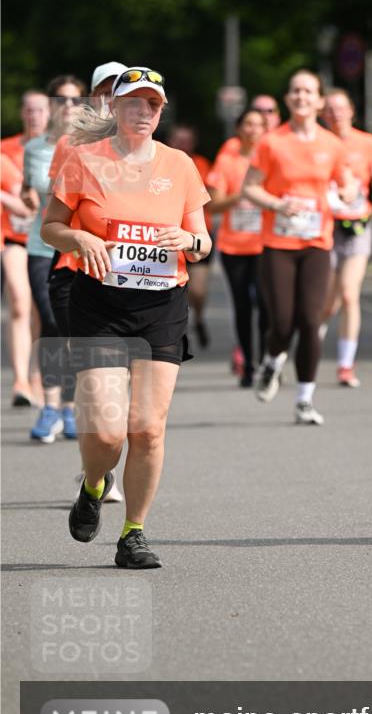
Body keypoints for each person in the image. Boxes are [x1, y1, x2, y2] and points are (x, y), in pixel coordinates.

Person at [42, 67, 211, 568]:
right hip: (100, 306)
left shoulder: (179, 165)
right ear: (113, 107)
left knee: (148, 429)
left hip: (161, 306)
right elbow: (51, 227)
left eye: (153, 105)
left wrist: (191, 242)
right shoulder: (83, 160)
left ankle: (133, 533)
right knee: (106, 432)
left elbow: (202, 241)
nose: (144, 112)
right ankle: (94, 485)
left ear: (161, 113)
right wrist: (80, 237)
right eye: (134, 102)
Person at [242, 69, 356, 424]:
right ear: (288, 99)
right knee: (282, 322)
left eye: (309, 91)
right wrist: (277, 205)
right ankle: (272, 361)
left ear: (319, 100)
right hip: (278, 242)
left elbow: (347, 182)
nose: (302, 96)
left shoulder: (331, 144)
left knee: (310, 320)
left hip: (317, 243)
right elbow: (250, 188)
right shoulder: (272, 142)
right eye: (295, 91)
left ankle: (305, 398)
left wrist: (347, 194)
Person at [48, 63, 127, 501]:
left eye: (120, 90)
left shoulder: (147, 148)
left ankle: (99, 460)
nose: (110, 97)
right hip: (74, 272)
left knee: (123, 378)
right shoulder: (70, 143)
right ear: (94, 94)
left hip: (129, 279)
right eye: (104, 89)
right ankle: (89, 470)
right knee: (90, 373)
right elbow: (56, 209)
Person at [23, 75, 87, 442]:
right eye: (61, 100)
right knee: (50, 323)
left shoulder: (92, 145)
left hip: (75, 249)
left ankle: (68, 406)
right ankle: (50, 407)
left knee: (72, 329)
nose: (67, 107)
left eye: (75, 100)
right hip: (40, 245)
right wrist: (30, 199)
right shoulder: (34, 148)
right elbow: (28, 191)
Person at [320, 88, 372, 387]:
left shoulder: (367, 142)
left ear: (351, 111)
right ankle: (308, 350)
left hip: (359, 226)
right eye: (330, 110)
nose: (336, 114)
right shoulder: (319, 144)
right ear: (324, 115)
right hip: (325, 226)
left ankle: (346, 365)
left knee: (349, 293)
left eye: (341, 108)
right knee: (326, 303)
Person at [207, 108, 267, 386]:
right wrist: (240, 196)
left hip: (265, 244)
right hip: (234, 247)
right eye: (249, 124)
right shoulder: (227, 159)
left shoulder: (270, 158)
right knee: (243, 306)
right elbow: (213, 204)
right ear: (239, 129)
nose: (254, 129)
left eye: (259, 125)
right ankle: (249, 365)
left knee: (266, 305)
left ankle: (266, 359)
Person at [1, 90, 50, 405]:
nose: (34, 116)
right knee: (20, 301)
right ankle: (20, 381)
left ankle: (37, 376)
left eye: (40, 110)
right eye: (29, 110)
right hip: (14, 239)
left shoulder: (58, 151)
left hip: (47, 239)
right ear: (22, 113)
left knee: (41, 311)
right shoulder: (5, 151)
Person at [167, 124, 213, 348]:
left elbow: (212, 195)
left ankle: (200, 317)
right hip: (169, 237)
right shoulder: (162, 163)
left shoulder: (201, 164)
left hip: (197, 233)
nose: (183, 144)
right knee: (178, 287)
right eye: (179, 140)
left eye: (187, 140)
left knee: (198, 289)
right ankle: (180, 328)